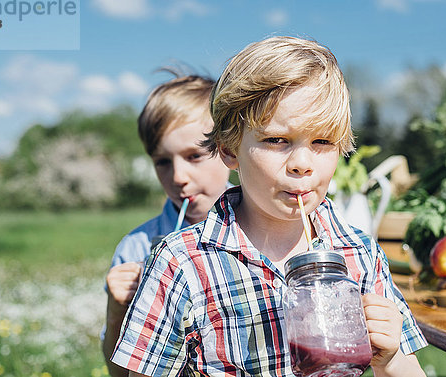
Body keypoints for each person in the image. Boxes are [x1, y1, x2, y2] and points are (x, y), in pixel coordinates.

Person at [110, 36, 428, 376]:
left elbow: (407, 366)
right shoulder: (182, 263)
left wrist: (391, 358)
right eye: (277, 140)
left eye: (322, 141)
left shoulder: (359, 253)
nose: (302, 163)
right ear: (230, 150)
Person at [102, 73, 231, 377]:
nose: (178, 177)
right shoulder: (137, 248)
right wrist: (116, 311)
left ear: (230, 149)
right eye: (162, 161)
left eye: (194, 155)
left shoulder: (261, 233)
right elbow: (118, 373)